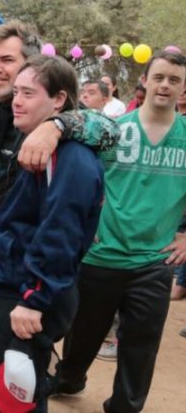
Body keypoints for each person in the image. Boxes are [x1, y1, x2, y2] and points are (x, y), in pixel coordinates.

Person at [0, 21, 119, 413]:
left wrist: (59, 125)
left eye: (7, 60)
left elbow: (108, 128)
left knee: (16, 387)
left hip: (25, 281)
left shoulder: (66, 136)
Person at [46, 51, 186, 413]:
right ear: (145, 80)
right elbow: (80, 171)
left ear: (183, 88)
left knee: (141, 345)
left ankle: (126, 406)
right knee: (83, 335)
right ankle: (68, 379)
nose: (166, 85)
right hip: (100, 253)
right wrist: (82, 222)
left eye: (174, 79)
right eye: (159, 77)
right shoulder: (113, 129)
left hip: (154, 260)